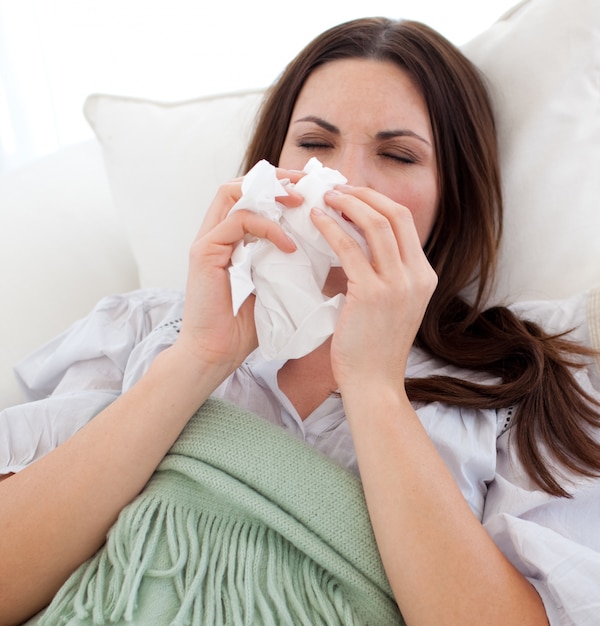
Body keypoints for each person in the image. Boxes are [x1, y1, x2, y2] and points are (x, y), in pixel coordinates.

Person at [1, 16, 599, 626]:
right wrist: (200, 358)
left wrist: (374, 387)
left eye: (397, 154)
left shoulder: (523, 384)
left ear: (453, 192)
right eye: (314, 145)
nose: (346, 181)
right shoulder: (151, 326)